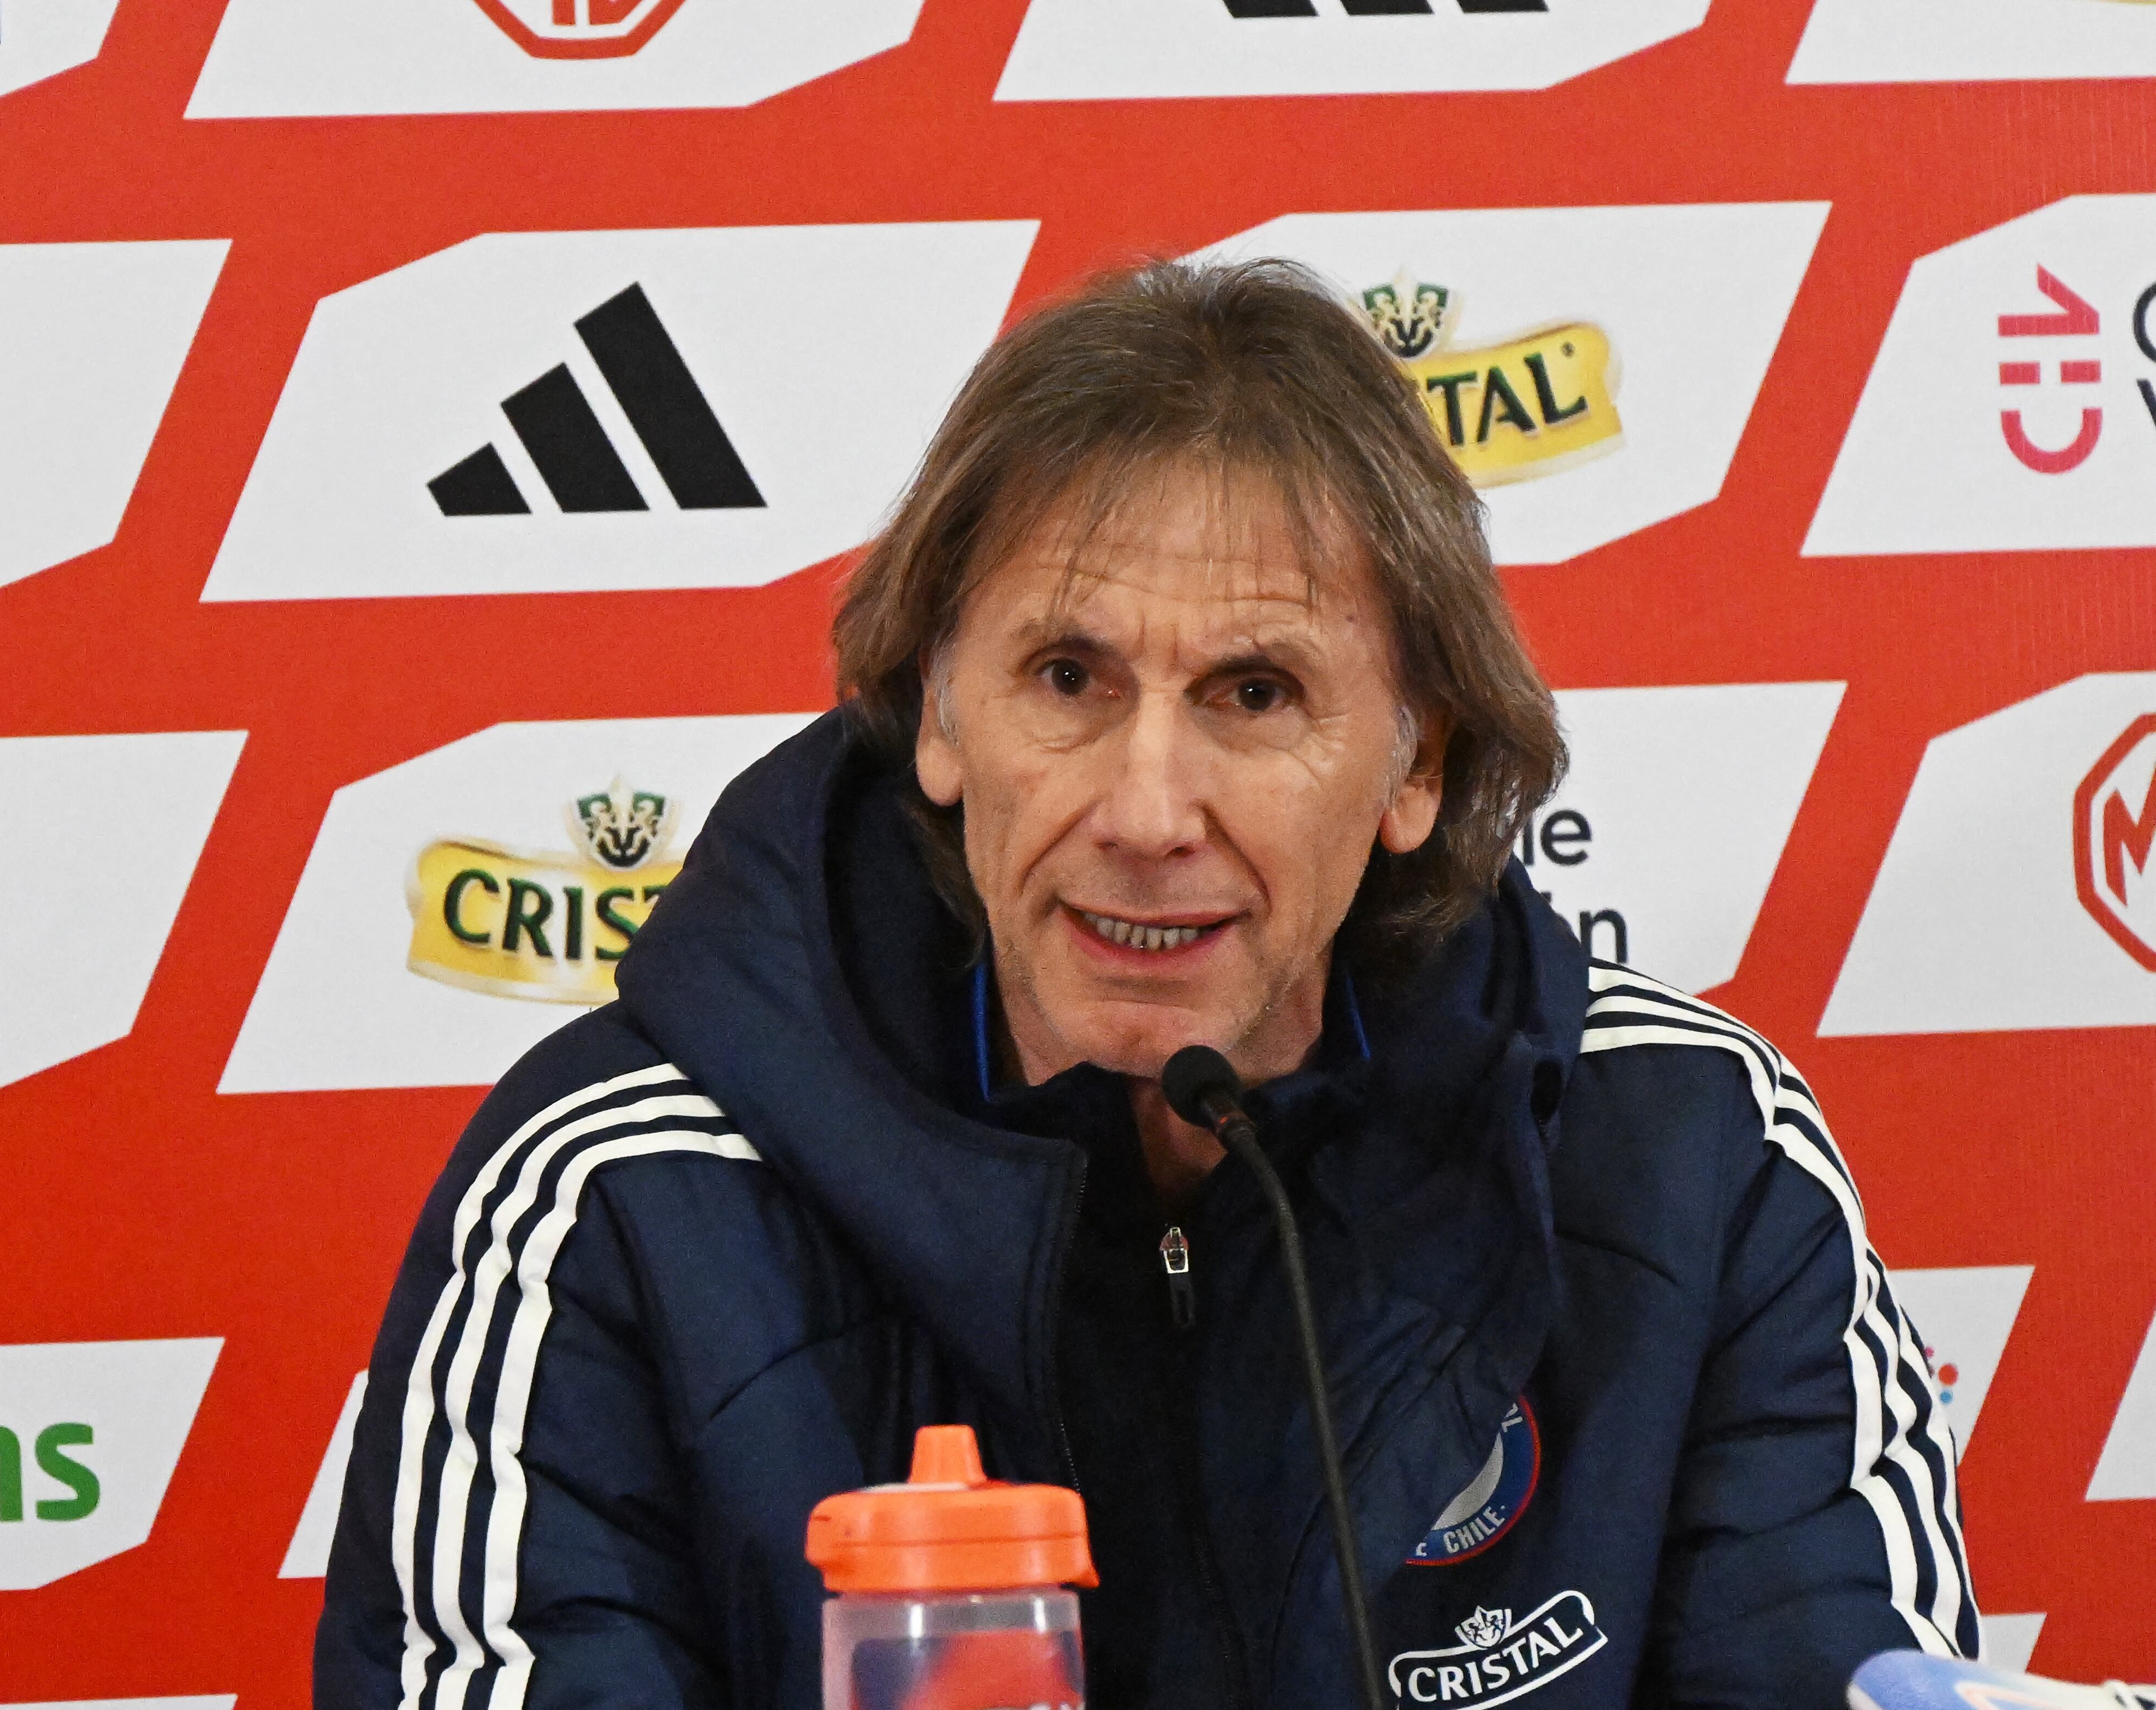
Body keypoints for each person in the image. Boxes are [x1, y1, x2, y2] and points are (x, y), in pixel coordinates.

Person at [313, 259, 1976, 1710]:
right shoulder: (620, 1200)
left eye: (1256, 692)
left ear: (1417, 762)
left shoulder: (1696, 1161)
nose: (1147, 809)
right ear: (942, 717)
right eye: (1066, 678)